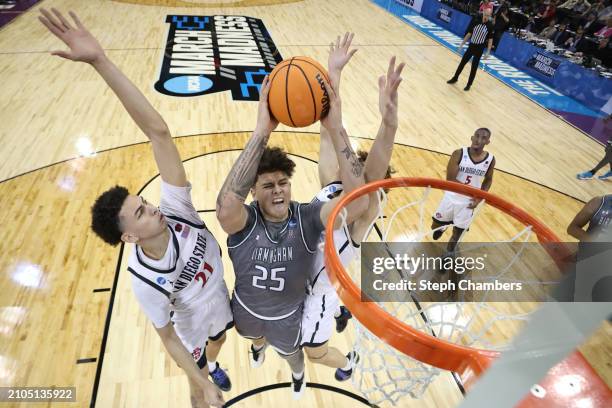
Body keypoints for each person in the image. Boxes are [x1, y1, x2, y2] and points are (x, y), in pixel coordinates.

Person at [38, 8, 229, 408]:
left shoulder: (176, 209)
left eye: (144, 203)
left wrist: (101, 61)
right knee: (200, 390)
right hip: (190, 332)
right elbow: (167, 338)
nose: (152, 209)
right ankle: (205, 377)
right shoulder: (145, 280)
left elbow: (158, 132)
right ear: (128, 236)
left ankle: (213, 362)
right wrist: (198, 380)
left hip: (220, 300)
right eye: (141, 213)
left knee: (221, 338)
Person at [215, 58, 368, 398]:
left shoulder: (309, 216)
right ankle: (258, 347)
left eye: (283, 182)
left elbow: (358, 205)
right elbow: (225, 207)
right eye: (268, 185)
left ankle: (297, 375)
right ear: (253, 191)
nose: (278, 190)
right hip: (246, 309)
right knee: (253, 338)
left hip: (288, 315)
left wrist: (336, 127)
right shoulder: (245, 221)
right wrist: (261, 132)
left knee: (292, 355)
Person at [300, 34, 404, 382]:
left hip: (317, 293)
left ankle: (348, 361)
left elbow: (377, 164)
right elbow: (327, 133)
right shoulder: (331, 179)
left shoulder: (364, 209)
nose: (356, 172)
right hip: (296, 274)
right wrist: (333, 75)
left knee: (314, 355)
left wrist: (389, 123)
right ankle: (343, 311)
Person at [431, 128, 496, 253]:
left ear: (487, 142)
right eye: (477, 136)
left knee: (457, 236)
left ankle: (447, 258)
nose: (479, 140)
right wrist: (472, 192)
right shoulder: (459, 154)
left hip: (468, 204)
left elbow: (488, 179)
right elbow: (450, 180)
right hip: (451, 198)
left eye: (483, 138)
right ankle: (443, 227)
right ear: (472, 137)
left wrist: (480, 197)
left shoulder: (490, 159)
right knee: (434, 227)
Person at [447, 10, 494, 91]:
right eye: (485, 14)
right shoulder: (476, 21)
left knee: (474, 67)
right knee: (462, 63)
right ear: (483, 13)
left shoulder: (490, 26)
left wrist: (488, 51)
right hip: (471, 46)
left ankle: (469, 84)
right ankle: (455, 78)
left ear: (490, 16)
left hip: (479, 48)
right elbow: (469, 33)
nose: (486, 16)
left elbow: (490, 39)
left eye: (488, 15)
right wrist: (461, 44)